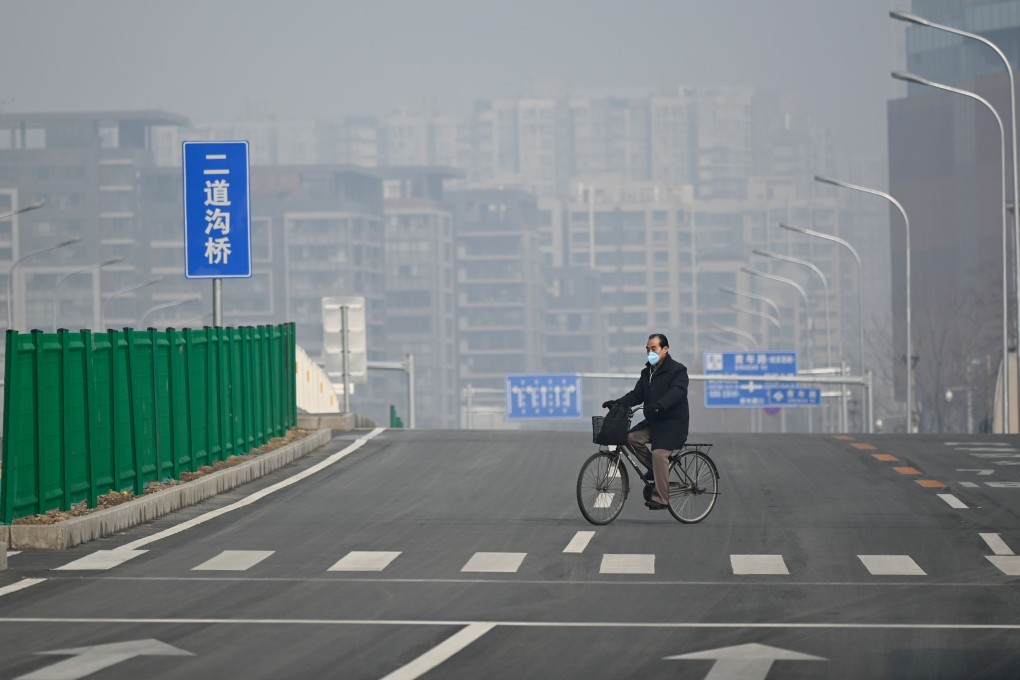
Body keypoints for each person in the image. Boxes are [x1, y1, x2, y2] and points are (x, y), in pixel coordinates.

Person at [601, 333, 689, 510]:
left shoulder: (678, 370)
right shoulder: (647, 372)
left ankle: (662, 498)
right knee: (630, 437)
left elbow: (677, 392)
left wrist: (659, 405)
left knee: (658, 454)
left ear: (665, 349)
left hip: (672, 424)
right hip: (654, 423)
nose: (650, 351)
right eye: (647, 349)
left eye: (654, 348)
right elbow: (637, 394)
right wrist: (618, 403)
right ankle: (657, 470)